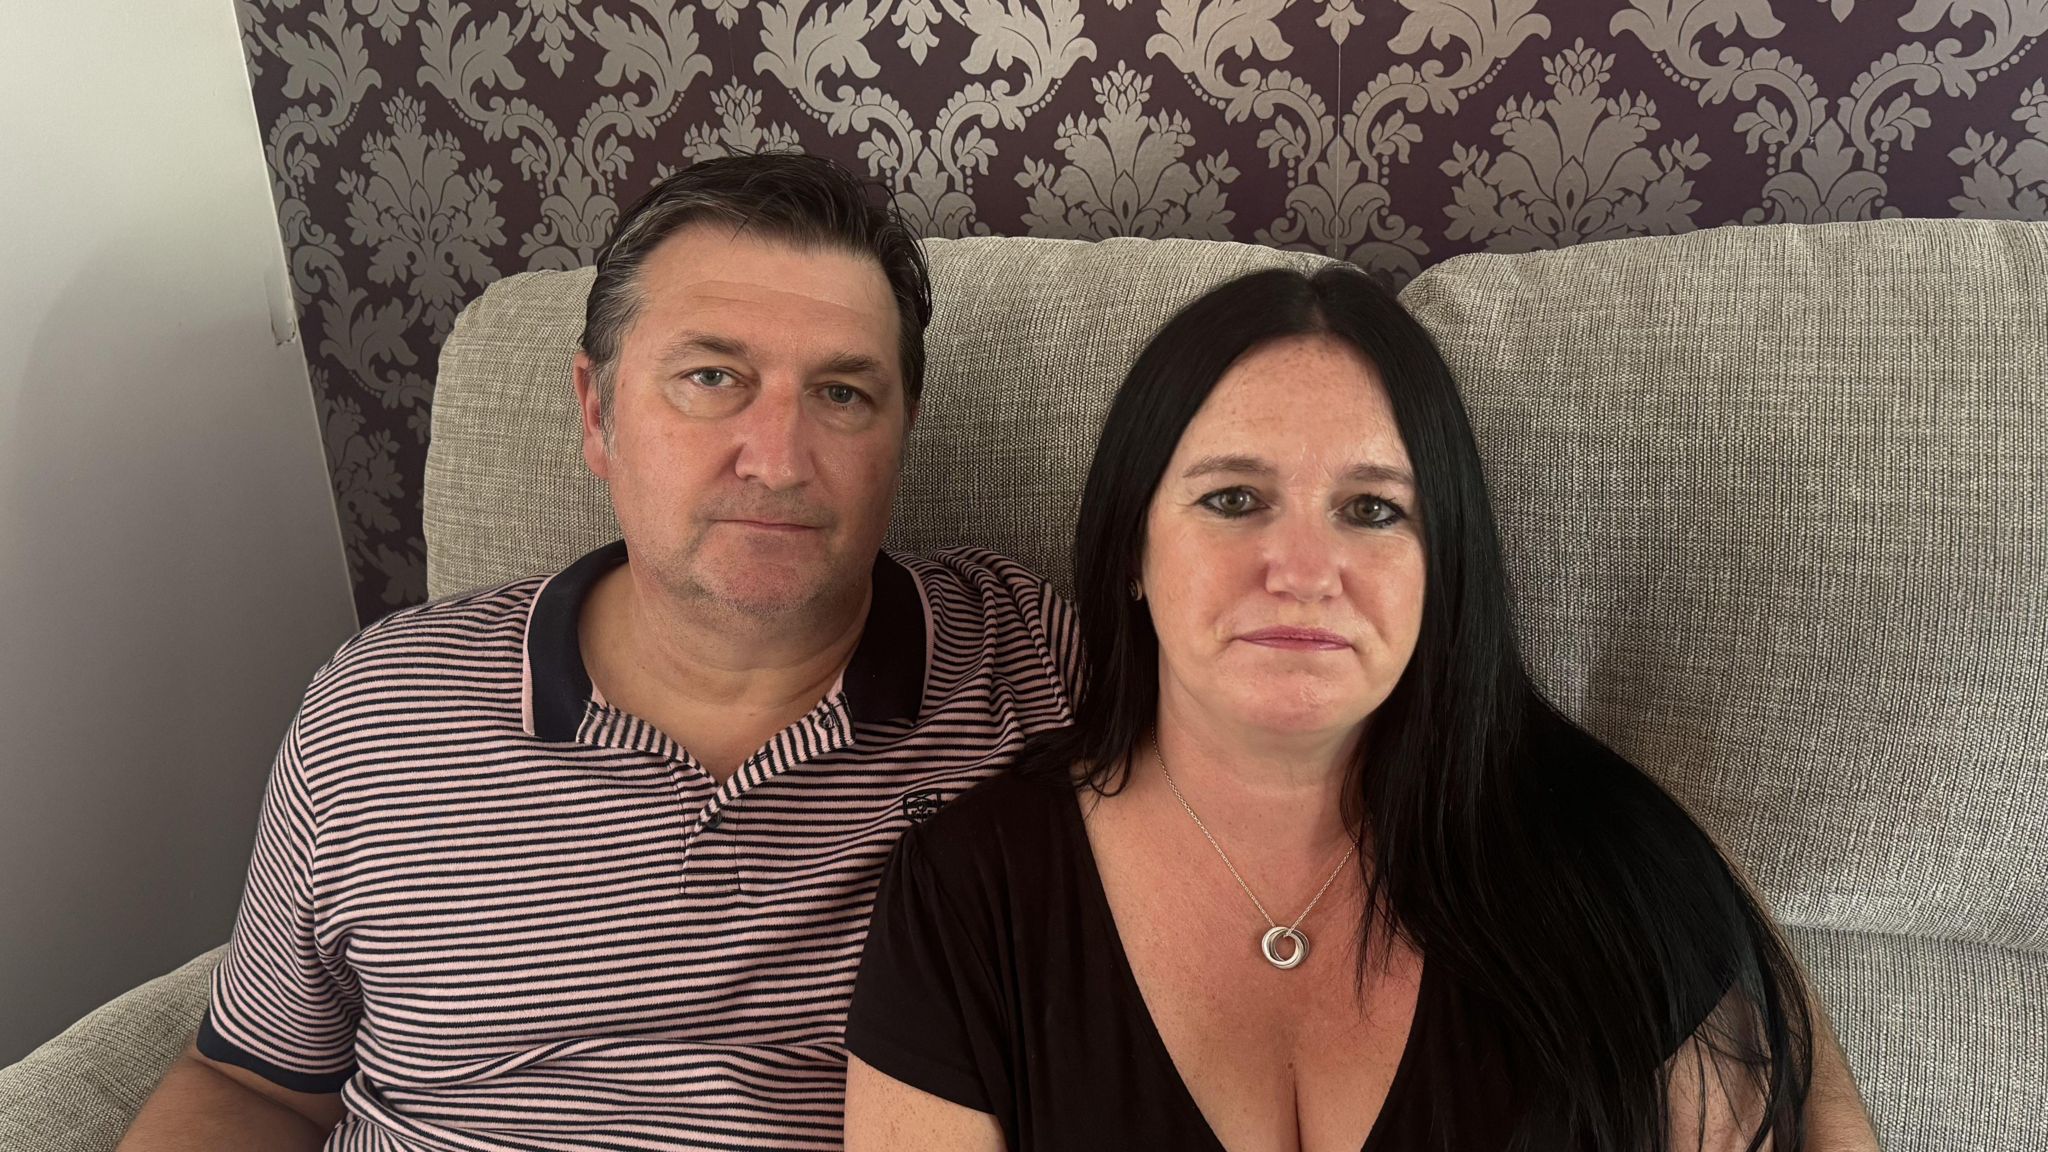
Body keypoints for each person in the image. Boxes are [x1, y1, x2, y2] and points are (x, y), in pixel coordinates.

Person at [118, 153, 1078, 1151]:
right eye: (712, 378)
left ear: (901, 432)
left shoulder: (1031, 668)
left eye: (842, 395)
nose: (781, 460)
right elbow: (252, 1083)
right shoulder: (379, 706)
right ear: (596, 411)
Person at [842, 266, 1882, 1150]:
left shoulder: (1609, 871)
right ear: (1129, 554)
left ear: (1443, 571)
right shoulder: (962, 901)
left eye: (1373, 509)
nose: (1302, 570)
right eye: (1233, 499)